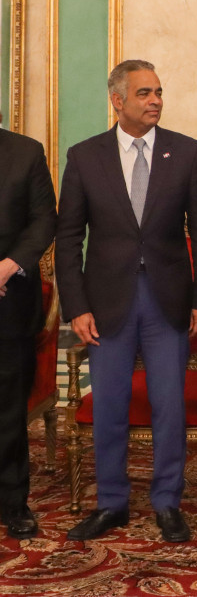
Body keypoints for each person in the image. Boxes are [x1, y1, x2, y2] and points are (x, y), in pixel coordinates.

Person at [57, 60, 197, 543]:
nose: (155, 101)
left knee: (169, 405)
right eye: (145, 93)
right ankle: (111, 503)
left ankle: (167, 502)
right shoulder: (85, 157)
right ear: (117, 101)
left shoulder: (186, 152)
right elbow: (69, 239)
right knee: (109, 405)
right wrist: (76, 306)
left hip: (168, 300)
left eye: (159, 92)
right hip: (107, 302)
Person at [0, 113, 56, 540]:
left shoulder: (26, 152)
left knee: (8, 411)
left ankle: (12, 503)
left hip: (10, 304)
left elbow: (44, 220)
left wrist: (7, 266)